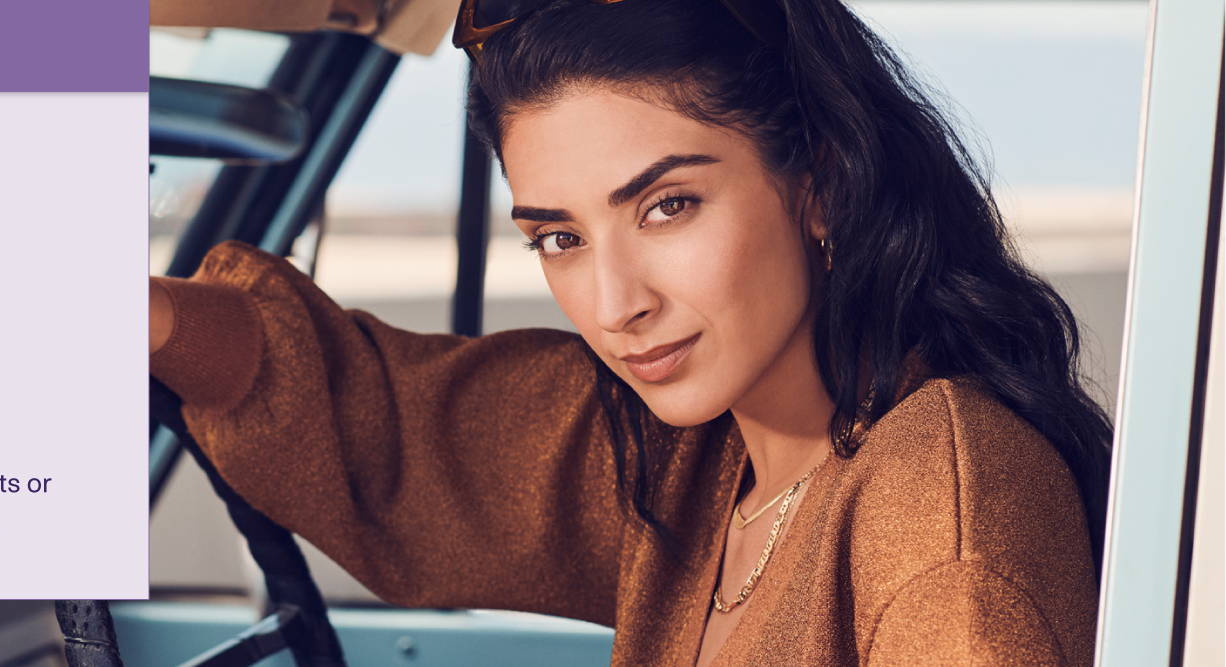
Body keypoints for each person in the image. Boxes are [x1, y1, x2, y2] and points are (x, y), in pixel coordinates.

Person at [148, 0, 1110, 663]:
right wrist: (150, 321)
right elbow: (409, 435)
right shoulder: (703, 455)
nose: (615, 303)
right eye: (560, 237)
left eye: (667, 206)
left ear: (822, 187)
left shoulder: (941, 527)